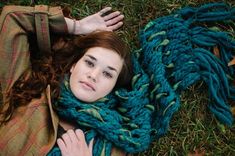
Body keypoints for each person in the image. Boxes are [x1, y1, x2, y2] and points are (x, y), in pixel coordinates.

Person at [0, 4, 132, 156]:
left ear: (114, 86)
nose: (93, 75)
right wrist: (78, 27)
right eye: (89, 63)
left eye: (108, 74)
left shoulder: (117, 142)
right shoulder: (28, 91)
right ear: (74, 66)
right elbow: (12, 18)